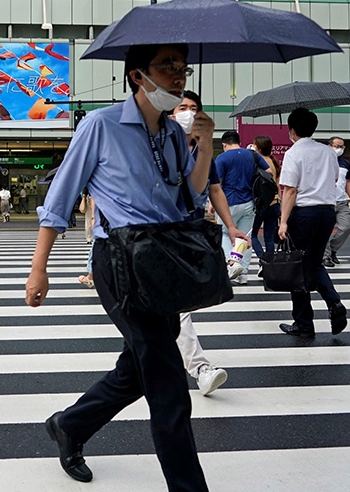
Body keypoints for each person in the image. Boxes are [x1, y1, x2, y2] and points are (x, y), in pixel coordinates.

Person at [26, 43, 211, 489]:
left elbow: (189, 197)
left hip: (165, 262)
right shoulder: (101, 125)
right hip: (120, 262)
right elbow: (60, 198)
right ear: (136, 76)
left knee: (140, 365)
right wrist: (39, 268)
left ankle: (70, 425)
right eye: (166, 67)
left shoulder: (171, 133)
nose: (177, 76)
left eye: (182, 68)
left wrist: (204, 147)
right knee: (168, 381)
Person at [172, 89, 243, 395]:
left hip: (192, 232)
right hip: (161, 234)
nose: (188, 113)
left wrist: (231, 227)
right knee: (177, 306)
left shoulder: (204, 152)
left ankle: (182, 364)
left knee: (173, 307)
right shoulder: (159, 146)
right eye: (182, 107)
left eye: (193, 108)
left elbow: (215, 189)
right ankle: (200, 368)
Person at [277, 108, 350, 337]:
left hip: (304, 213)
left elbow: (290, 190)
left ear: (291, 130)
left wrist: (283, 221)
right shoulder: (328, 152)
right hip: (326, 212)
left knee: (297, 267)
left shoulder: (293, 153)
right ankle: (334, 303)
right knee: (315, 262)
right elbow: (336, 179)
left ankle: (304, 323)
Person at [214, 130, 271, 284]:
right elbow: (268, 171)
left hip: (228, 202)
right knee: (244, 237)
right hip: (249, 201)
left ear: (224, 144)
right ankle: (243, 273)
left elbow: (216, 184)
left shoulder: (222, 157)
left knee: (225, 234)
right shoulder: (252, 155)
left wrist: (212, 204)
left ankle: (232, 263)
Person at [322, 136, 350, 268]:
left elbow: (347, 181)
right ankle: (325, 256)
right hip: (325, 200)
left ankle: (332, 249)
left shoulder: (345, 163)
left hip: (341, 200)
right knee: (325, 230)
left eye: (342, 146)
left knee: (347, 226)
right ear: (329, 146)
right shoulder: (322, 160)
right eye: (337, 146)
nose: (339, 149)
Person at [249, 136, 281, 262]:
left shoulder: (258, 161)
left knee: (253, 235)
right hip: (275, 202)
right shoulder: (274, 162)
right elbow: (277, 185)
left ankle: (262, 259)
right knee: (268, 237)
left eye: (254, 145)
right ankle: (270, 263)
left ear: (259, 147)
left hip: (262, 203)